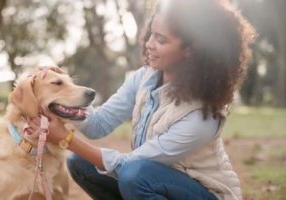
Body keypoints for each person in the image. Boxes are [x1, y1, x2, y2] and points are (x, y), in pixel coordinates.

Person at [42, 0, 256, 199]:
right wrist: (66, 97)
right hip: (153, 181)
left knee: (135, 175)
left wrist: (66, 139)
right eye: (151, 34)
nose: (149, 45)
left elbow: (132, 164)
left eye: (161, 39)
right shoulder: (143, 78)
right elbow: (99, 124)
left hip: (206, 193)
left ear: (190, 50)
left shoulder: (202, 115)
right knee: (81, 163)